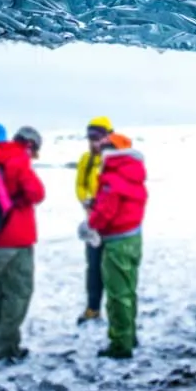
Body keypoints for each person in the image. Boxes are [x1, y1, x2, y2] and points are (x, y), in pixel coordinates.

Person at [0, 125, 45, 363]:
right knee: (17, 295)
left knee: (0, 295)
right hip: (16, 240)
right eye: (35, 151)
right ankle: (5, 349)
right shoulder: (18, 159)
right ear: (29, 144)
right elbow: (37, 193)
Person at [87, 131, 148, 360]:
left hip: (117, 242)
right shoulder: (133, 175)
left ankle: (120, 345)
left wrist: (91, 224)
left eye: (104, 147)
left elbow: (105, 212)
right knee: (128, 290)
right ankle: (128, 334)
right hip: (133, 238)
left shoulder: (112, 178)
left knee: (117, 295)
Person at [75, 115, 114, 325]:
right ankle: (93, 307)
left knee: (114, 267)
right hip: (93, 224)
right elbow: (80, 184)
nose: (93, 142)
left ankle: (116, 309)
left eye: (97, 138)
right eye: (90, 138)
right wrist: (86, 201)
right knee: (93, 266)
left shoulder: (116, 159)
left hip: (114, 225)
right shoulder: (86, 160)